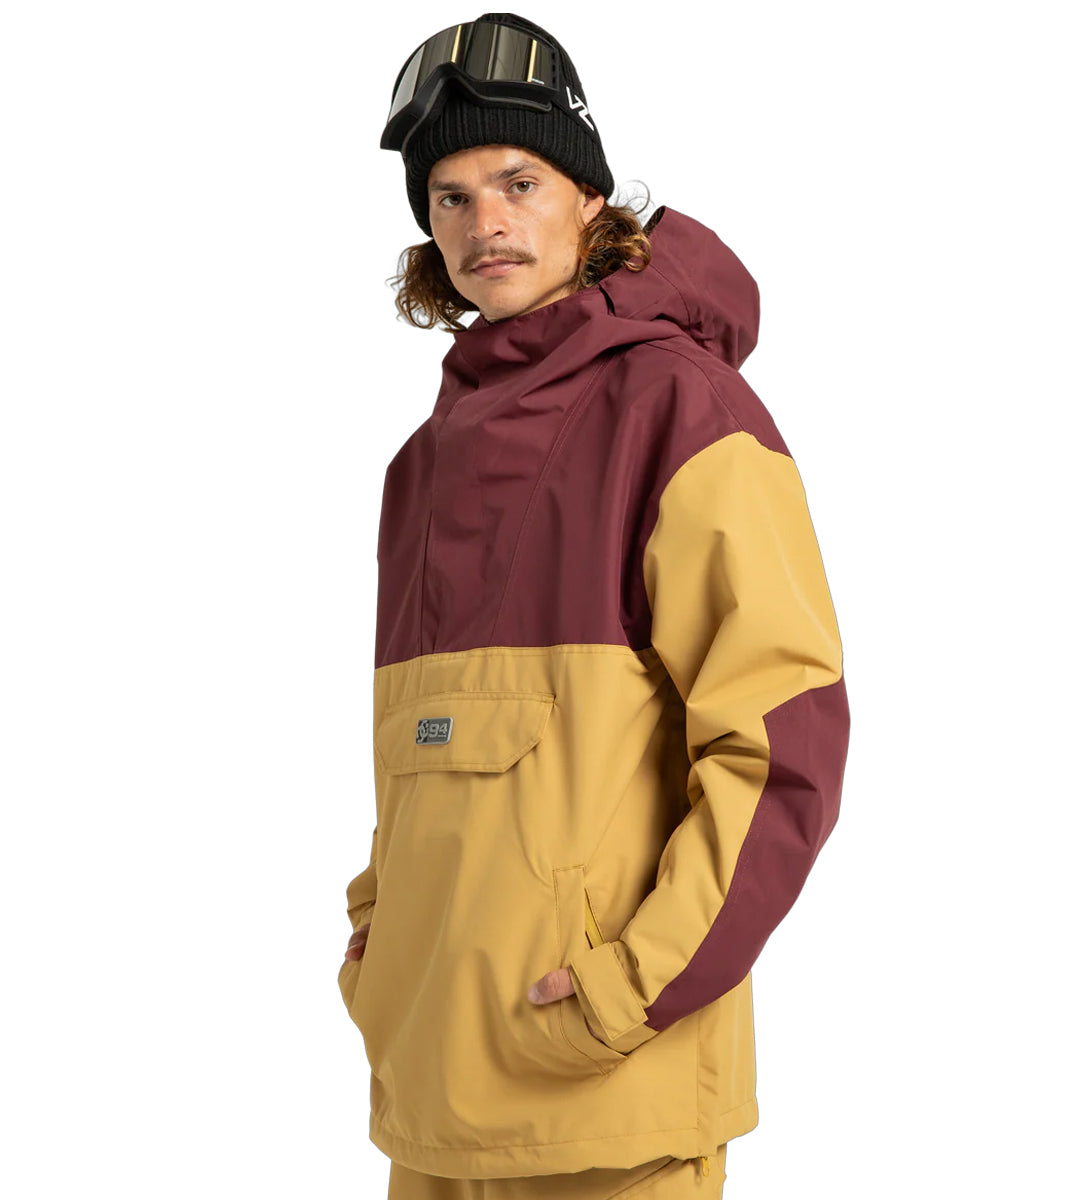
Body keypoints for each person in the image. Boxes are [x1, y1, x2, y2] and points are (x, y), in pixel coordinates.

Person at [337, 13, 851, 1199]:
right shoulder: (423, 463)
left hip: (605, 1091)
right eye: (452, 197)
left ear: (589, 200)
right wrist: (381, 937)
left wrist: (631, 990)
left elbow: (782, 744)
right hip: (431, 1084)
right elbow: (422, 755)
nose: (486, 222)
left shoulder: (682, 409)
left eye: (519, 182)